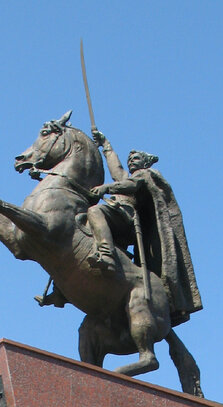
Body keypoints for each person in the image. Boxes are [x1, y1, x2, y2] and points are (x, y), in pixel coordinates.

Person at [87, 129, 202, 327]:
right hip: (116, 215)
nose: (132, 160)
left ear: (145, 163)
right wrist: (105, 144)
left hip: (129, 220)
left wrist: (107, 188)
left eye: (137, 158)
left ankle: (106, 254)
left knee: (95, 212)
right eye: (130, 158)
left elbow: (130, 185)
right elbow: (117, 169)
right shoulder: (126, 176)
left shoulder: (146, 175)